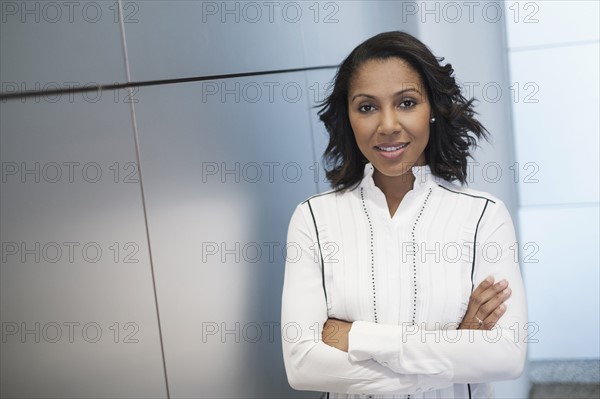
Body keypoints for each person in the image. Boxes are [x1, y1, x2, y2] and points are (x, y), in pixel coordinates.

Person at [280, 31, 527, 398]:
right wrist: (455, 346)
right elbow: (302, 365)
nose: (388, 125)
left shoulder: (484, 217)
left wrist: (355, 336)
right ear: (348, 117)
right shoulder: (313, 219)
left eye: (407, 103)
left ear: (432, 110)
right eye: (367, 107)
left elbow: (505, 356)